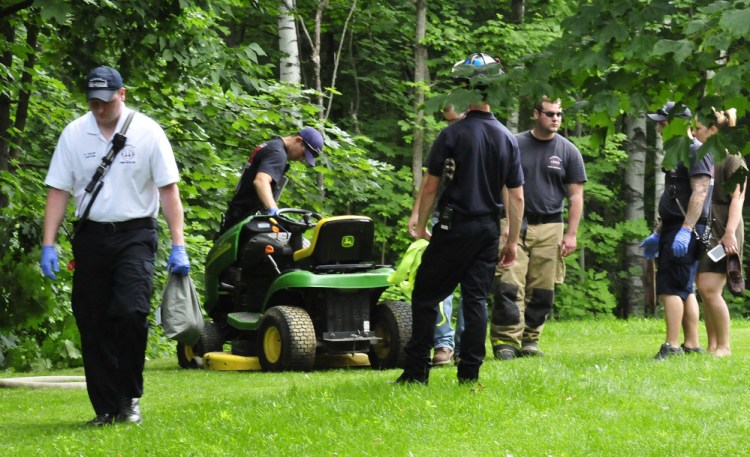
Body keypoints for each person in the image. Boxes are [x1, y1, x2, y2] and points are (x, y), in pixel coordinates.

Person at [39, 66, 190, 426]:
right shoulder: (74, 134)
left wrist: (178, 244)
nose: (100, 109)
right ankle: (105, 408)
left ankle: (129, 397)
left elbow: (169, 190)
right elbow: (58, 190)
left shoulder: (148, 132)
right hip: (91, 236)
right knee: (93, 320)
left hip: (136, 234)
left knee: (131, 311)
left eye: (105, 101)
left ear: (122, 94)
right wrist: (49, 243)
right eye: (93, 102)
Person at [395, 53, 524, 385]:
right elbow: (517, 195)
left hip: (455, 226)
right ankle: (469, 374)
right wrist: (510, 241)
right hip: (487, 229)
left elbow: (429, 187)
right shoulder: (507, 138)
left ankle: (415, 373)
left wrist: (422, 224)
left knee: (425, 294)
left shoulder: (452, 134)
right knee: (476, 299)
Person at [489, 97, 587, 359]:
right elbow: (501, 185)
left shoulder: (568, 151)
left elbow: (576, 195)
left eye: (559, 114)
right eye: (550, 114)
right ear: (536, 114)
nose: (555, 119)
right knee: (508, 285)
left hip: (551, 225)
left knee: (543, 289)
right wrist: (507, 224)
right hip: (513, 223)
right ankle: (505, 342)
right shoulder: (515, 144)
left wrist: (571, 234)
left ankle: (530, 340)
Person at [640, 102, 714, 359]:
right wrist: (660, 232)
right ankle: (691, 345)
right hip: (674, 227)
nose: (659, 127)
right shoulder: (679, 151)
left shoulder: (695, 150)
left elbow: (700, 191)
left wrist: (685, 230)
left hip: (685, 229)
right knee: (684, 287)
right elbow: (675, 196)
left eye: (663, 122)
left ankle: (671, 346)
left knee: (670, 287)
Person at [408, 104, 466, 366]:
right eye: (448, 120)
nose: (452, 125)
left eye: (456, 119)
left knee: (473, 287)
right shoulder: (446, 137)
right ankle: (443, 345)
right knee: (440, 284)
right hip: (442, 217)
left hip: (477, 218)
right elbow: (430, 180)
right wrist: (417, 215)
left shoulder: (489, 136)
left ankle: (467, 347)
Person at [694, 107, 742, 357]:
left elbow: (738, 197)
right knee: (703, 287)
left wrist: (730, 233)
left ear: (713, 130)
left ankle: (724, 346)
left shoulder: (731, 156)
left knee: (711, 287)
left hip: (725, 228)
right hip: (705, 228)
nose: (693, 133)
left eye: (698, 129)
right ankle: (712, 345)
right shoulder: (701, 155)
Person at [218, 126, 324, 234]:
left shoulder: (272, 145)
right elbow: (261, 181)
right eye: (303, 154)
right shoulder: (278, 154)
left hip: (237, 215)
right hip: (245, 220)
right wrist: (274, 210)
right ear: (298, 140)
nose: (302, 159)